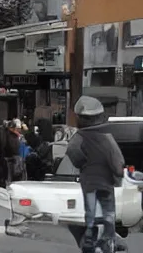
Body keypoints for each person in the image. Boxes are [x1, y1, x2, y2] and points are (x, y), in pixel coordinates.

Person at [66, 96, 124, 253]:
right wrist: (118, 177)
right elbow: (118, 163)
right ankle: (108, 242)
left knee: (90, 214)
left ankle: (90, 243)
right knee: (108, 214)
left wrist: (84, 164)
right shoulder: (107, 138)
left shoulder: (78, 138)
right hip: (106, 183)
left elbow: (74, 154)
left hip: (89, 183)